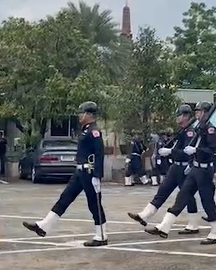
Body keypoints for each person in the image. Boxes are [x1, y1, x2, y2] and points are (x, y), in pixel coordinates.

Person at [22, 101, 108, 247]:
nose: (80, 116)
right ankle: (44, 226)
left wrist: (97, 175)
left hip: (89, 172)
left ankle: (101, 235)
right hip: (80, 171)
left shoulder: (94, 131)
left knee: (94, 203)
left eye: (82, 113)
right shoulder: (85, 130)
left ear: (89, 114)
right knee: (65, 198)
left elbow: (99, 154)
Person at [145, 102, 216, 245]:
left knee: (207, 201)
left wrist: (196, 151)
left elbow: (214, 150)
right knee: (182, 196)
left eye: (199, 111)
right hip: (195, 168)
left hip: (205, 170)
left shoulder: (210, 129)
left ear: (205, 112)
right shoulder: (199, 127)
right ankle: (164, 226)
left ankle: (215, 232)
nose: (197, 114)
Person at [127, 105, 200, 233]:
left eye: (180, 115)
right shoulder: (182, 131)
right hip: (175, 166)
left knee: (187, 196)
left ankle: (193, 224)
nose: (177, 118)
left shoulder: (190, 132)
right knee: (162, 191)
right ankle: (145, 215)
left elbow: (187, 152)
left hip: (184, 167)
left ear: (186, 116)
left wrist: (171, 151)